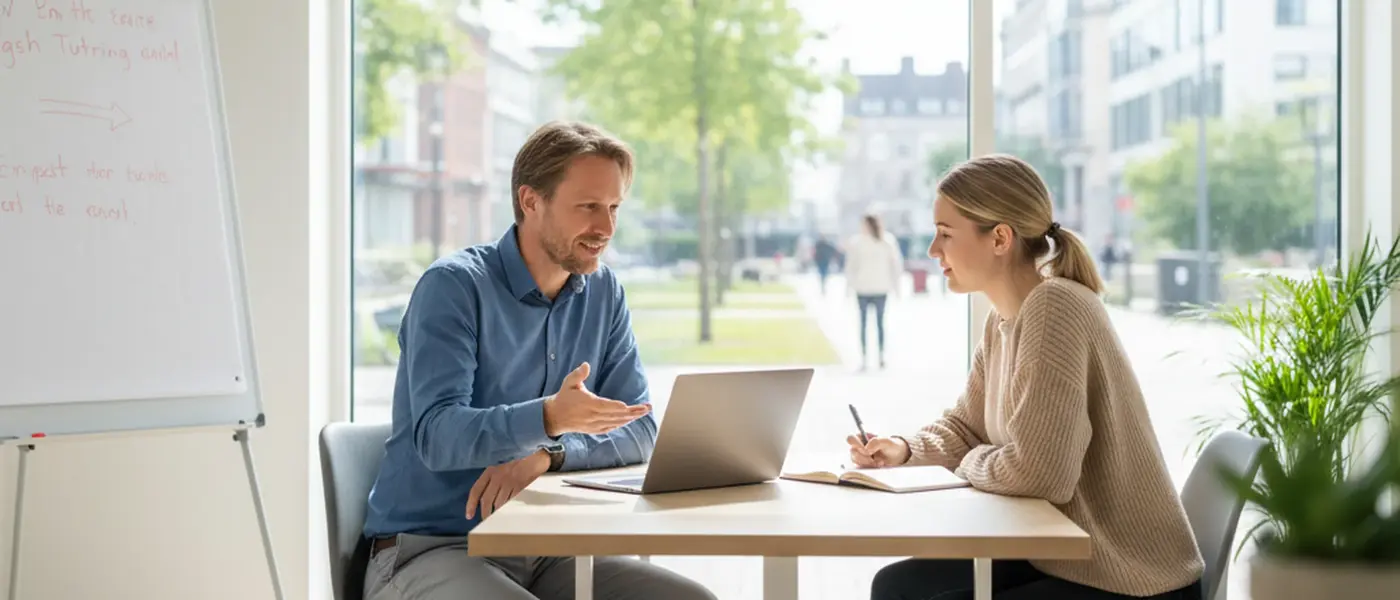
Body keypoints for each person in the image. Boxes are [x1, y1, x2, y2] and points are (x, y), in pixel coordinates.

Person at [361, 121, 716, 600]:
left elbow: (639, 429)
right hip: (433, 548)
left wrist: (549, 454)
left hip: (549, 549)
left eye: (613, 208)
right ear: (531, 201)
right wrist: (547, 417)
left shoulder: (604, 293)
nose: (606, 229)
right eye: (588, 207)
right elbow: (436, 436)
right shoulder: (454, 288)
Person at [849, 154, 1204, 600]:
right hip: (1063, 558)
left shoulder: (1054, 308)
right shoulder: (1003, 321)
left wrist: (973, 462)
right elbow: (967, 427)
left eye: (945, 234)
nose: (932, 251)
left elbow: (1039, 474)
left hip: (1127, 578)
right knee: (896, 586)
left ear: (1000, 238)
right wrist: (903, 450)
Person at [843, 213, 904, 369]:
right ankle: (864, 356)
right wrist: (848, 287)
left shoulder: (887, 241)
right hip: (863, 288)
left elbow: (895, 266)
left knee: (879, 323)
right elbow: (851, 266)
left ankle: (881, 355)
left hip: (880, 288)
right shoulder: (856, 242)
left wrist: (897, 288)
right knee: (863, 323)